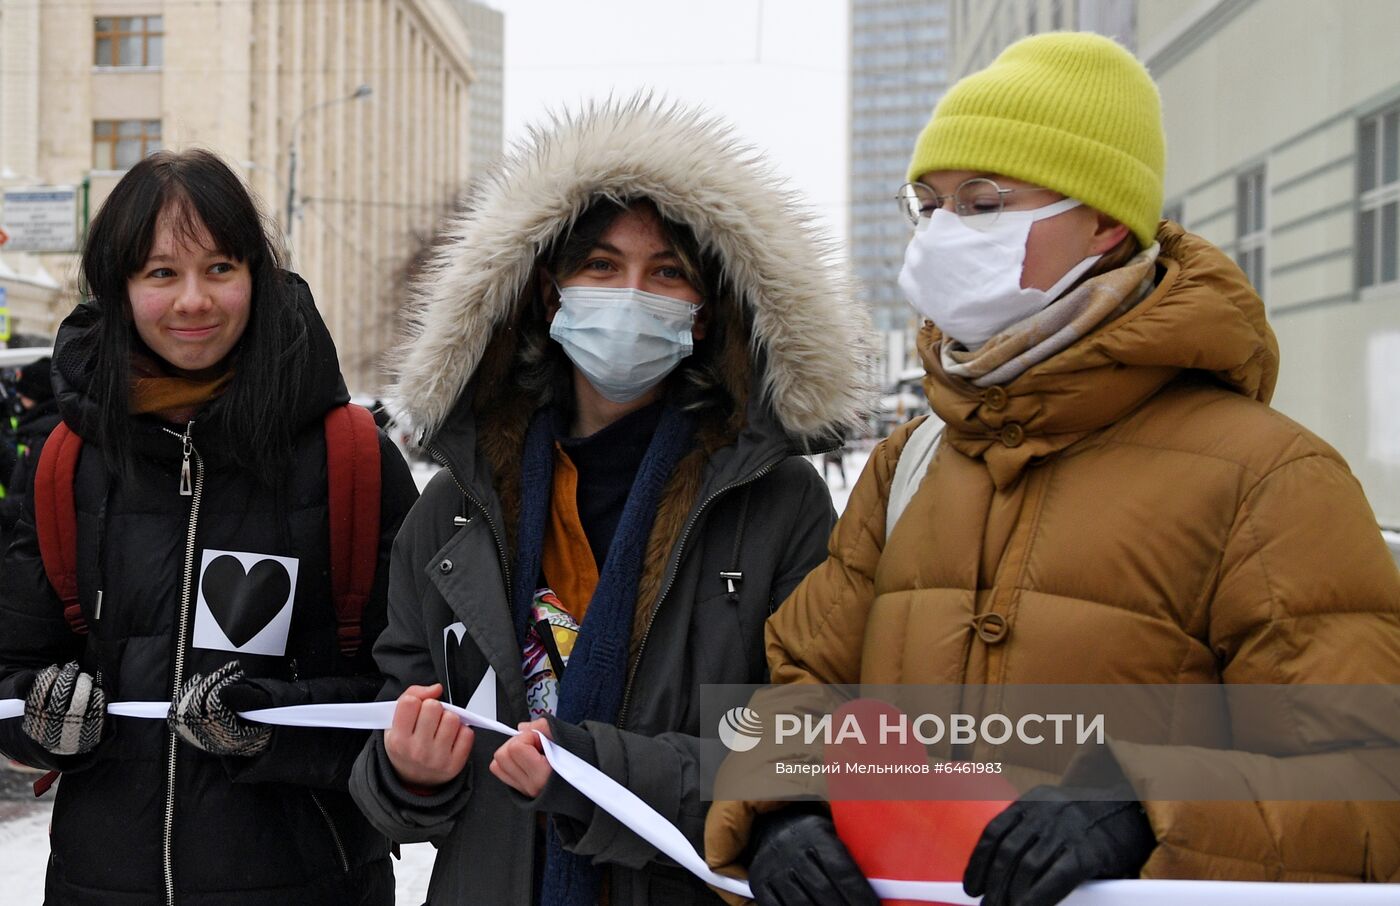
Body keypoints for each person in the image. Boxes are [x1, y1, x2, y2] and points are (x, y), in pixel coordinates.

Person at [705, 32, 1400, 906]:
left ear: (1105, 220)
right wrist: (784, 812)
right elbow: (802, 681)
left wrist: (1142, 806)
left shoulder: (1270, 480)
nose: (946, 231)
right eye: (931, 203)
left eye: (984, 201)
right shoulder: (908, 461)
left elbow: (1366, 781)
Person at [348, 97, 871, 905]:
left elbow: (809, 745)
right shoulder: (452, 512)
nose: (633, 294)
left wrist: (591, 768)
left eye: (666, 272)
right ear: (548, 298)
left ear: (702, 316)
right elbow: (396, 743)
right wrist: (404, 771)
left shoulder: (776, 505)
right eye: (599, 266)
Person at [0, 149, 419, 905]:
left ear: (256, 274)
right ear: (118, 289)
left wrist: (271, 726)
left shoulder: (352, 458)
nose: (194, 300)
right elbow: (10, 669)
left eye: (220, 267)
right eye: (160, 273)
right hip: (97, 886)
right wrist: (41, 719)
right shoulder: (65, 462)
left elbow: (414, 698)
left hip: (314, 884)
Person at [0, 357, 61, 551]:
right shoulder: (39, 431)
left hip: (29, 545)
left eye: (24, 391)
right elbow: (20, 478)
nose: (17, 395)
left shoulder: (45, 436)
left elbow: (36, 500)